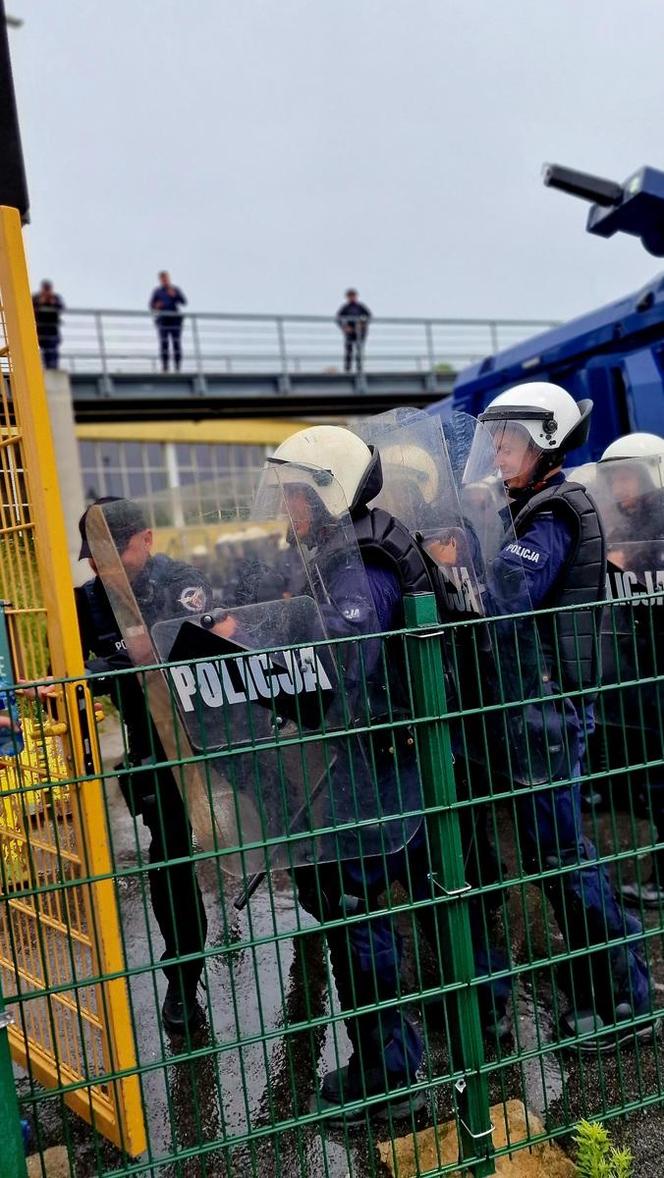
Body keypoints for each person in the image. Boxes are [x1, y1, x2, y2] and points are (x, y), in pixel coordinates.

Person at [465, 382, 654, 1049]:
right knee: (556, 859)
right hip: (533, 705)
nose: (496, 449)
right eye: (493, 438)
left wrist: (463, 552)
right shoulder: (531, 504)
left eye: (507, 438)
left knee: (564, 860)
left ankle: (627, 1004)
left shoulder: (555, 511)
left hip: (548, 709)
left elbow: (512, 589)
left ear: (545, 439)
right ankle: (606, 990)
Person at [260, 425, 436, 1121]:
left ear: (325, 493)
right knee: (383, 901)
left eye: (294, 496)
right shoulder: (335, 552)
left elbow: (343, 661)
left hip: (381, 762)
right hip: (368, 758)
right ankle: (405, 1053)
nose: (285, 512)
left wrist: (270, 663)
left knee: (357, 911)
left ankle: (391, 1076)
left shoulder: (359, 564)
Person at [75, 496, 212, 1035]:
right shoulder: (87, 603)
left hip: (209, 742)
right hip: (153, 753)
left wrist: (110, 663)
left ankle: (318, 918)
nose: (103, 569)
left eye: (116, 555)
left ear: (147, 540)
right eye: (95, 558)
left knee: (271, 836)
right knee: (172, 863)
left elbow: (175, 645)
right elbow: (71, 667)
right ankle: (183, 983)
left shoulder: (181, 580)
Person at [593, 433, 664, 908]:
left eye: (626, 474)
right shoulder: (630, 520)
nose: (618, 485)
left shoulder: (655, 522)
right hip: (643, 663)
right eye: (613, 476)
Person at [149, 271, 187, 373]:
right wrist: (156, 306)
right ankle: (165, 367)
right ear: (160, 280)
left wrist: (174, 295)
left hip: (175, 320)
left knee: (176, 343)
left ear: (169, 279)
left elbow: (184, 302)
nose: (165, 280)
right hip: (163, 320)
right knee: (164, 343)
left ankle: (178, 367)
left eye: (166, 278)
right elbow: (151, 306)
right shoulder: (157, 291)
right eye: (162, 279)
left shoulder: (175, 289)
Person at [336, 289, 371, 374]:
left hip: (360, 332)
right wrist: (345, 327)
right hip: (350, 332)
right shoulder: (345, 308)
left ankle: (359, 369)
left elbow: (369, 316)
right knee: (348, 350)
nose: (352, 298)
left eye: (353, 296)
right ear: (347, 297)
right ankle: (347, 370)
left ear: (356, 296)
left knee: (359, 351)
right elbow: (338, 319)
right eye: (350, 296)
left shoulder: (360, 306)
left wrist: (362, 324)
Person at [32, 280, 64, 369]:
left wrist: (52, 302)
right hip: (41, 329)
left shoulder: (55, 298)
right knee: (45, 350)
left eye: (48, 289)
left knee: (53, 351)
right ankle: (48, 367)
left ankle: (53, 367)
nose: (46, 291)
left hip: (52, 329)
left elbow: (61, 307)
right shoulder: (36, 298)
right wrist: (40, 303)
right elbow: (30, 307)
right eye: (45, 289)